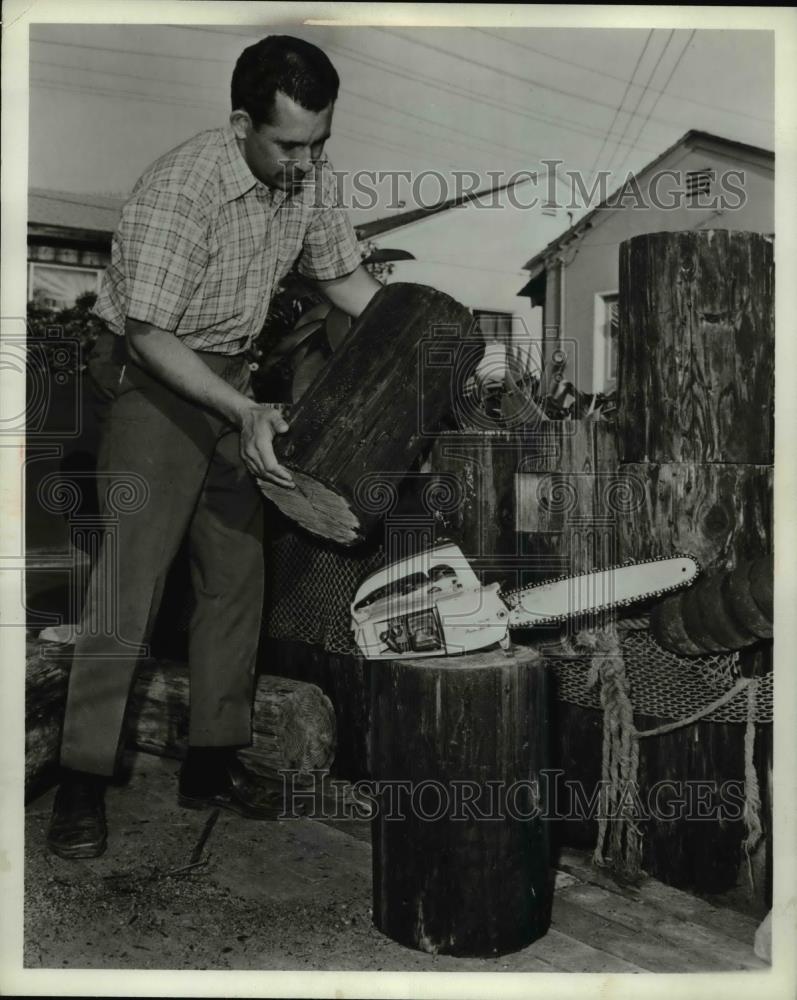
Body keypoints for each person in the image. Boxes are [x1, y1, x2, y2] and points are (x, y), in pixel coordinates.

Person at [47, 35, 384, 859]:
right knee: (132, 580)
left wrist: (416, 343)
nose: (308, 165)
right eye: (290, 146)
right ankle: (80, 783)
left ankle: (211, 760)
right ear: (241, 123)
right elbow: (149, 332)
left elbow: (346, 283)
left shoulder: (307, 177)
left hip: (232, 377)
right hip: (152, 374)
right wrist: (240, 408)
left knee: (236, 572)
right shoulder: (180, 187)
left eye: (321, 144)